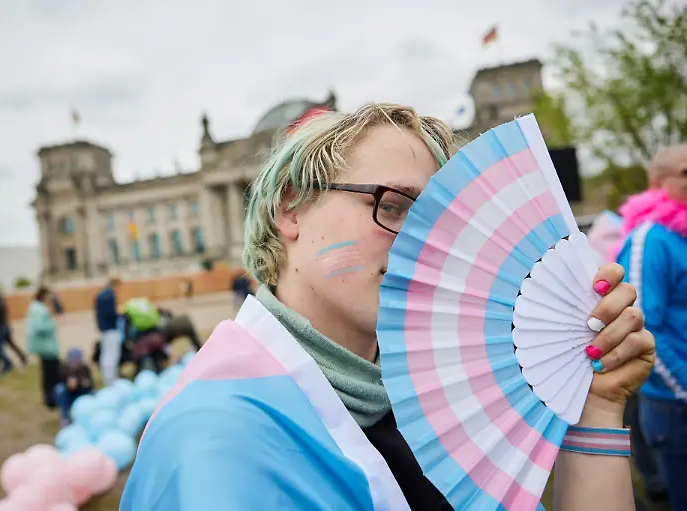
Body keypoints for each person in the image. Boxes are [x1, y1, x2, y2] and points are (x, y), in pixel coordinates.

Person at [121, 104, 655, 511]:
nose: (424, 245)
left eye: (440, 221)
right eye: (393, 206)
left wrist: (598, 409)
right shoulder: (216, 446)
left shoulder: (440, 400)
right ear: (291, 209)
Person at [615, 143, 687, 509]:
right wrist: (683, 387)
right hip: (675, 403)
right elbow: (640, 327)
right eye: (685, 173)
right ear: (657, 182)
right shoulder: (651, 238)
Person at [26, 286, 61, 408]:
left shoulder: (37, 308)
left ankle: (51, 397)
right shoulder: (40, 310)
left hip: (46, 346)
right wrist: (52, 324)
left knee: (49, 373)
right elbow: (40, 327)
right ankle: (52, 399)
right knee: (51, 374)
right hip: (47, 347)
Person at [0, 289, 27, 374]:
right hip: (5, 326)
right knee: (6, 345)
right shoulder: (1, 301)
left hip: (0, 327)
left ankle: (7, 363)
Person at [54, 348, 94, 427]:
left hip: (82, 394)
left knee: (94, 393)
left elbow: (89, 385)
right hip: (68, 395)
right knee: (59, 390)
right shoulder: (64, 369)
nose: (74, 363)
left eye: (76, 361)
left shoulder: (85, 369)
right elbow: (63, 383)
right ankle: (65, 417)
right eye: (72, 361)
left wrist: (83, 384)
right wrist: (69, 385)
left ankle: (90, 414)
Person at [95, 277, 122, 385]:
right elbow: (112, 313)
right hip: (111, 329)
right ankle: (112, 380)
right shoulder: (109, 295)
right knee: (112, 355)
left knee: (105, 355)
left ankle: (107, 378)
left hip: (103, 329)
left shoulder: (100, 295)